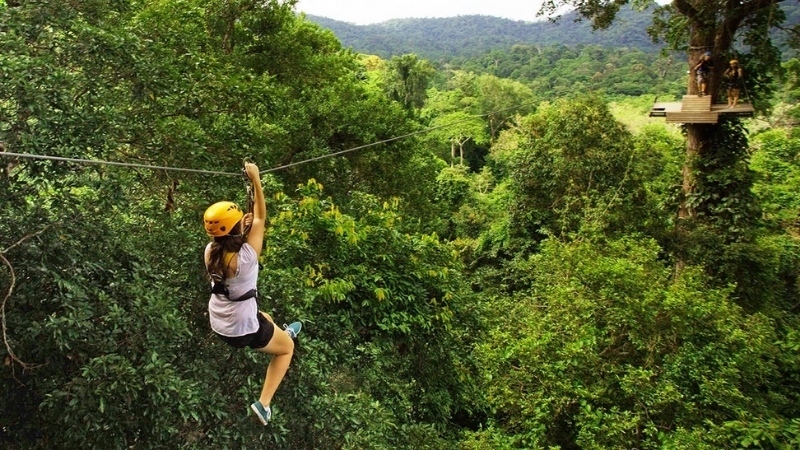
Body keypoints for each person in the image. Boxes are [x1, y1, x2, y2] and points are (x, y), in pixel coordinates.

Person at [203, 162, 302, 426]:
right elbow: (260, 217)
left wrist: (241, 226)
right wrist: (256, 179)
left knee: (264, 316)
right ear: (236, 229)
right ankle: (264, 403)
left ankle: (279, 332)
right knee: (286, 350)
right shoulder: (247, 257)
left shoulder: (210, 251)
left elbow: (237, 233)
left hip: (220, 320)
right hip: (240, 329)